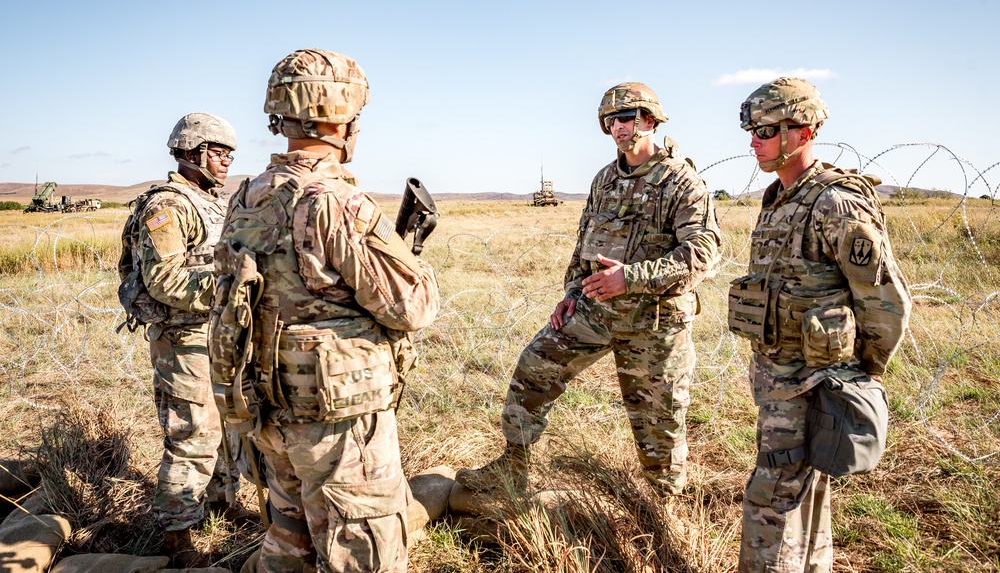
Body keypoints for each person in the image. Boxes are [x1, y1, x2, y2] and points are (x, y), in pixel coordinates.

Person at [210, 49, 439, 573]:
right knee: (365, 554)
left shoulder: (248, 195)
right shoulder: (335, 201)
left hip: (271, 411)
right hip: (336, 425)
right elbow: (412, 308)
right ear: (342, 114)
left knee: (291, 542)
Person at [455, 82, 722, 497]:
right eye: (610, 120)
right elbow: (585, 246)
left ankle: (663, 508)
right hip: (595, 312)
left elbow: (702, 252)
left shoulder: (681, 183)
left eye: (626, 118)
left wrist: (629, 278)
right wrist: (570, 294)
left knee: (659, 425)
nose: (617, 127)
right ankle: (513, 468)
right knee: (533, 370)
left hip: (654, 325)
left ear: (649, 120)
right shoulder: (604, 179)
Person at [730, 77, 912, 571]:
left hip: (813, 382)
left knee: (772, 499)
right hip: (778, 379)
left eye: (765, 131)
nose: (753, 141)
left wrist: (864, 374)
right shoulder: (779, 197)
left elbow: (886, 300)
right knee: (804, 495)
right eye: (751, 131)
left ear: (803, 131)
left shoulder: (835, 203)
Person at [121, 113, 245, 567]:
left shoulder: (210, 202)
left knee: (229, 428)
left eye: (230, 153)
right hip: (184, 338)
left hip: (218, 334)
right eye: (220, 152)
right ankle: (178, 537)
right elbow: (164, 280)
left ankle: (221, 503)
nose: (228, 160)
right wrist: (234, 291)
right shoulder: (168, 206)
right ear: (193, 151)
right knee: (192, 433)